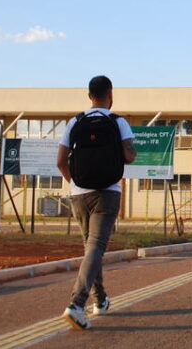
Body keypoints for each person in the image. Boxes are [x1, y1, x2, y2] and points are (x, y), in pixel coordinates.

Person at [57, 75, 136, 330]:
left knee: (91, 247)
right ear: (110, 94)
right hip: (107, 192)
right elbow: (129, 156)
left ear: (89, 95)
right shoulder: (117, 121)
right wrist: (130, 151)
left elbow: (60, 161)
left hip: (79, 193)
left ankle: (100, 300)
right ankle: (77, 304)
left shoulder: (75, 122)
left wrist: (75, 183)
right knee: (96, 247)